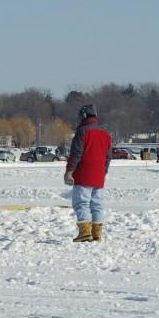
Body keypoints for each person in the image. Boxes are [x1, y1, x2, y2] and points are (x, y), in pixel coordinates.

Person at [64, 104, 112, 242]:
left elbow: (76, 154)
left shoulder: (82, 132)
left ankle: (85, 232)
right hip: (99, 176)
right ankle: (96, 233)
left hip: (84, 174)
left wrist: (69, 171)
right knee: (97, 204)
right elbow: (108, 157)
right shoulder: (106, 134)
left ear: (84, 116)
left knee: (81, 203)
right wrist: (104, 172)